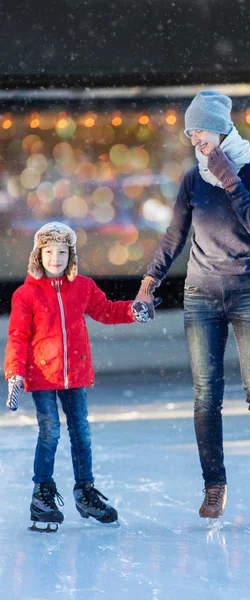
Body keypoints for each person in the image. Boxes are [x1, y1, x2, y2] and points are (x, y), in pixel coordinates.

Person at [135, 90, 250, 527]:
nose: (193, 137)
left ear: (221, 126)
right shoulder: (192, 179)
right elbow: (174, 236)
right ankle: (214, 485)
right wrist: (148, 284)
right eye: (189, 132)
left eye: (198, 129)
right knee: (206, 398)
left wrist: (230, 178)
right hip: (201, 295)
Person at [4, 222, 157, 532]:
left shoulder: (83, 286)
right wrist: (14, 374)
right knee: (50, 432)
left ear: (70, 255)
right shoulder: (26, 294)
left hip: (75, 374)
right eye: (49, 252)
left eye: (62, 252)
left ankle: (85, 492)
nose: (55, 258)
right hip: (43, 373)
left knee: (81, 433)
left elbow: (107, 311)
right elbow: (18, 336)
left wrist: (133, 311)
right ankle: (42, 494)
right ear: (39, 255)